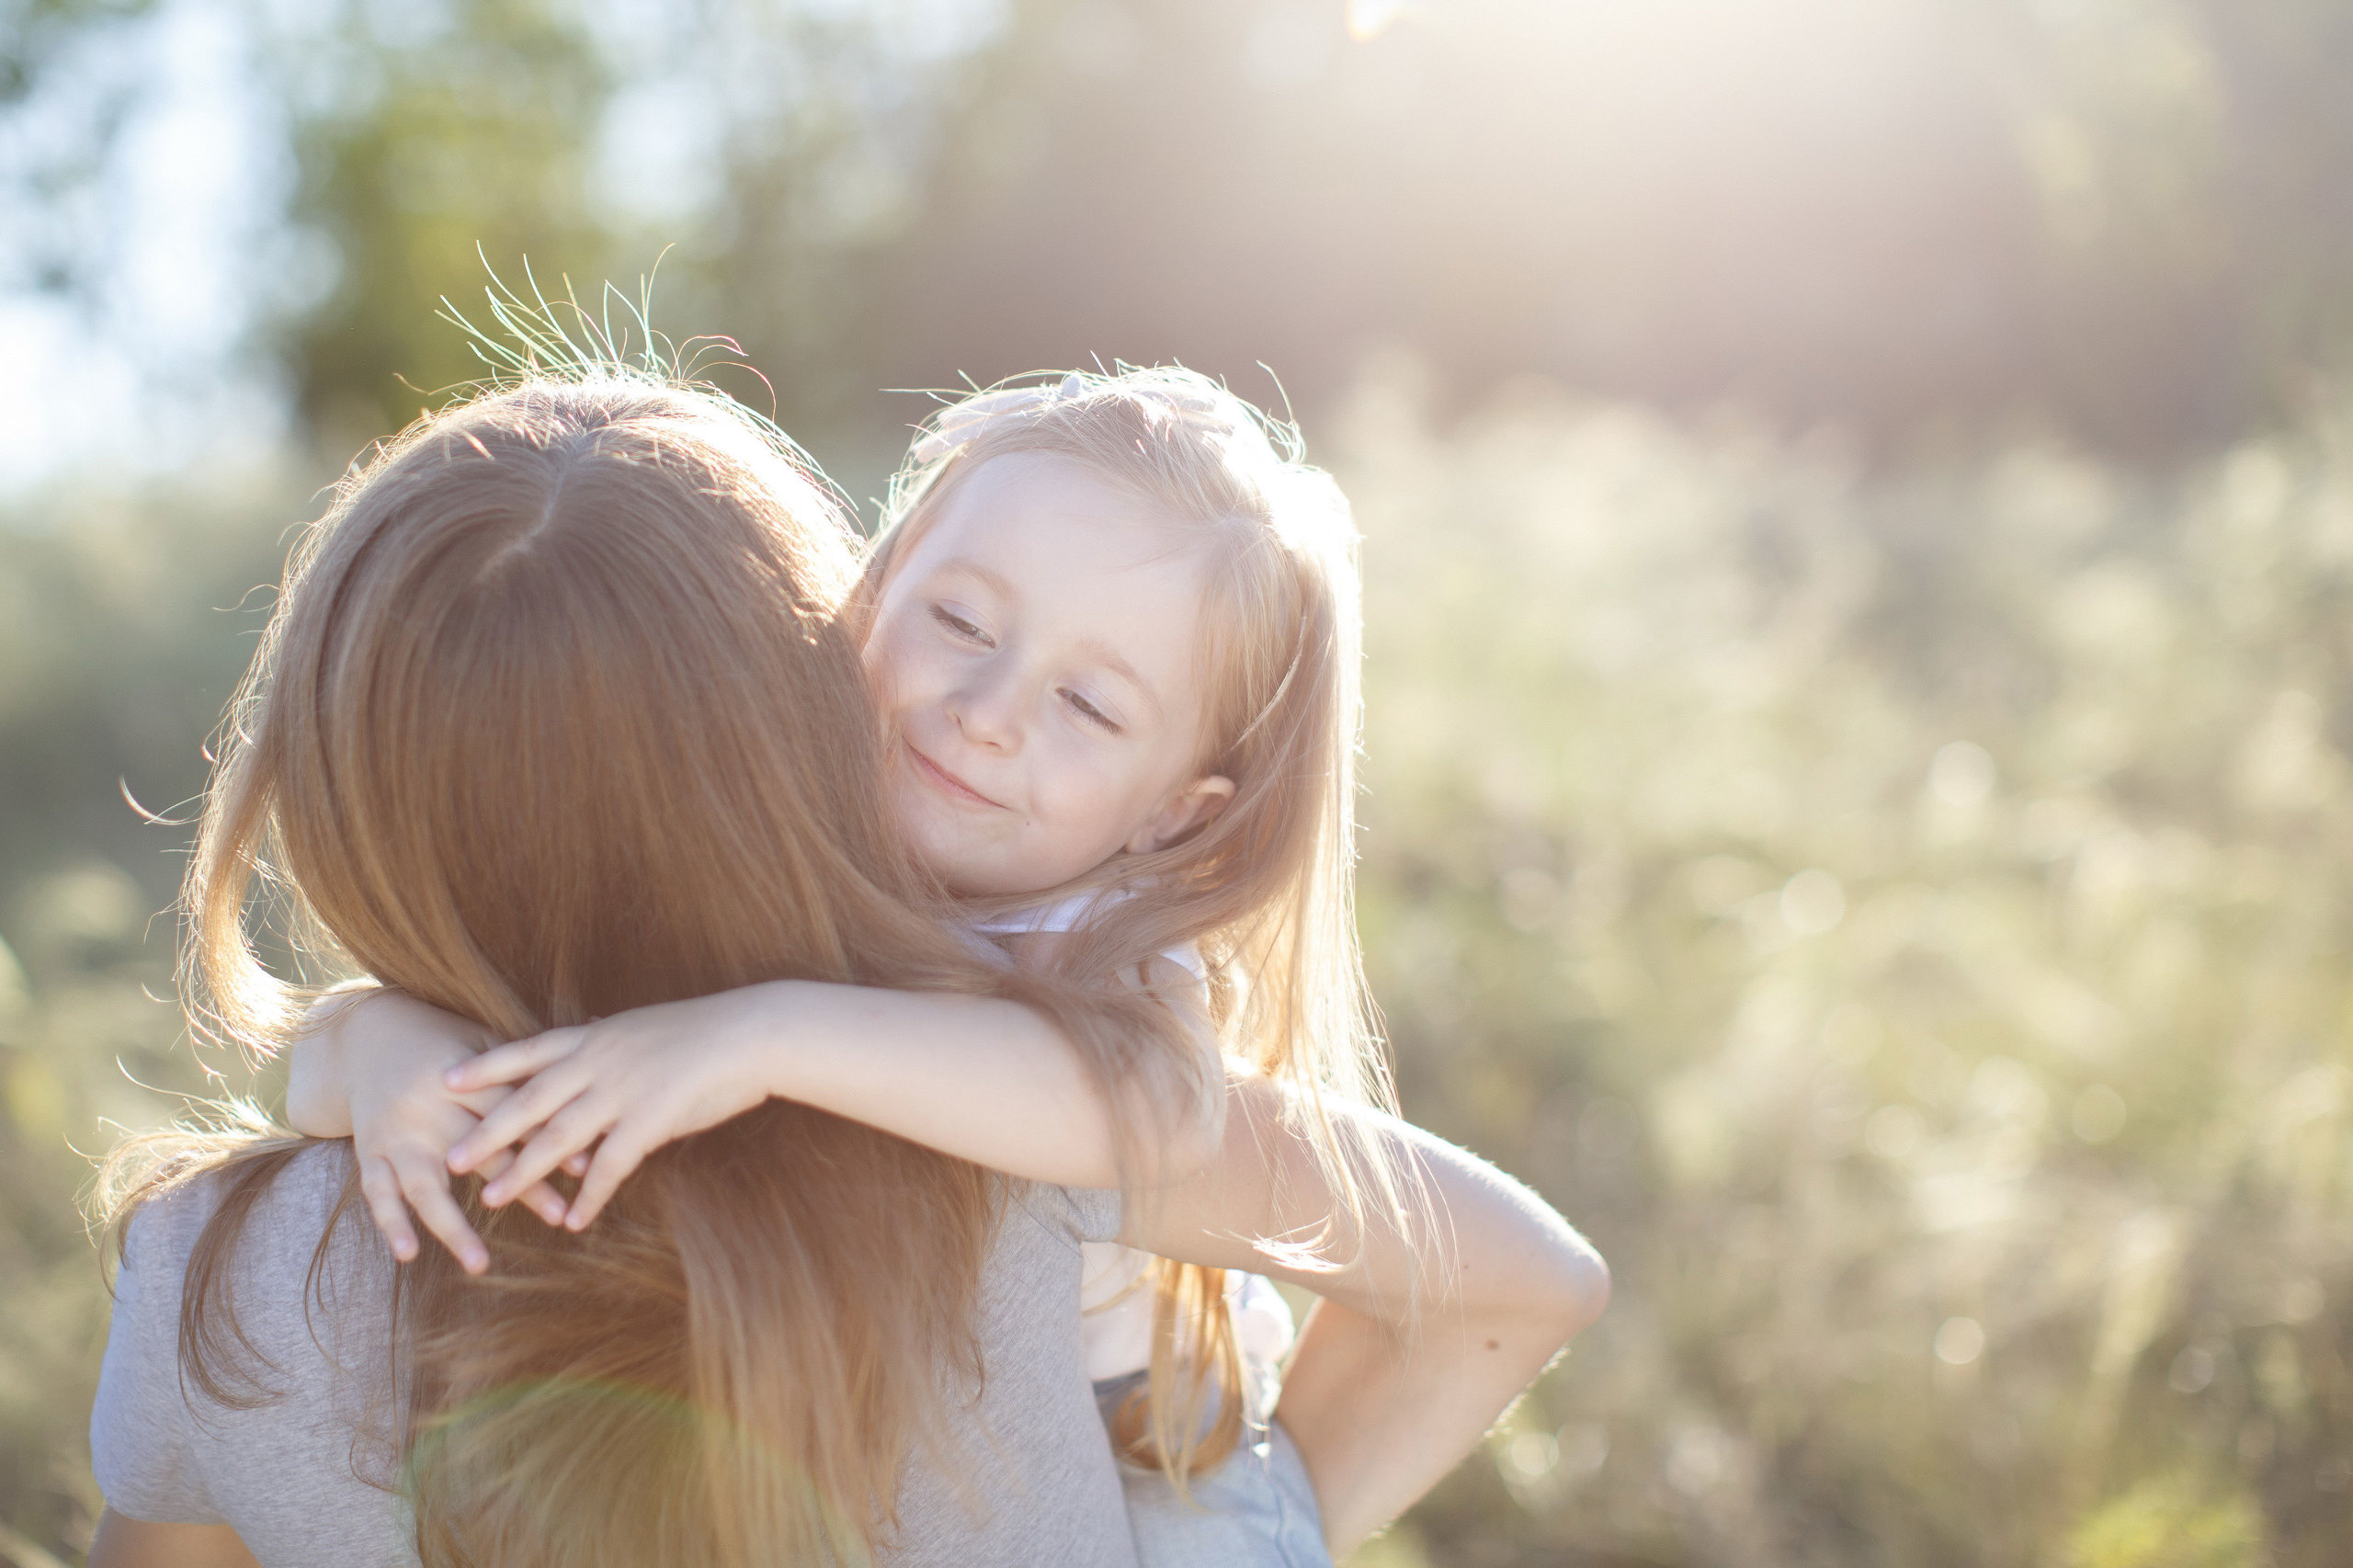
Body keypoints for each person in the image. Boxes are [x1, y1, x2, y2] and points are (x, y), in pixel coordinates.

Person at [89, 356, 1607, 1567]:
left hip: (1166, 1447)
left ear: (1175, 814)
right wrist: (378, 1045)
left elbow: (1133, 1120)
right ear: (855, 594)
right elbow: (1520, 1282)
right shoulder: (869, 843)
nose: (991, 710)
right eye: (956, 617)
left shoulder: (1099, 965)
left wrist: (762, 1033)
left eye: (1092, 707)